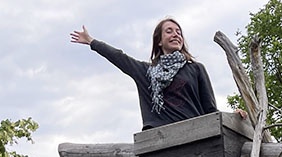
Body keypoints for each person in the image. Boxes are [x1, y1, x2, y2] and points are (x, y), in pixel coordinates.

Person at [70, 18, 219, 129]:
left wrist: (234, 117)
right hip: (160, 142)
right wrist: (91, 41)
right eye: (169, 31)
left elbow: (211, 109)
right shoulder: (146, 72)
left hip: (195, 136)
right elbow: (119, 57)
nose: (176, 35)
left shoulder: (196, 69)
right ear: (159, 41)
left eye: (179, 32)